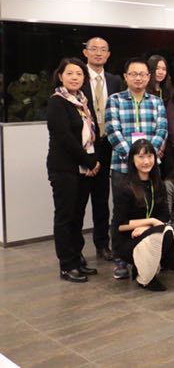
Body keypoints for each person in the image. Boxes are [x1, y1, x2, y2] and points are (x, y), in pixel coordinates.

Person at [105, 57, 168, 280]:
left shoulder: (157, 102)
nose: (139, 77)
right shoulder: (115, 100)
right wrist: (134, 158)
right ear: (126, 76)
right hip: (122, 166)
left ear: (149, 77)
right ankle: (121, 259)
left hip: (151, 167)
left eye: (143, 74)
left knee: (148, 207)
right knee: (121, 214)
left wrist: (147, 158)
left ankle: (147, 252)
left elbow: (162, 130)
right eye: (134, 74)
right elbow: (112, 131)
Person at [111, 139, 174, 291]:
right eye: (141, 157)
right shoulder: (125, 187)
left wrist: (148, 227)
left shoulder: (158, 184)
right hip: (127, 240)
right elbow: (120, 225)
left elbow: (164, 216)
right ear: (132, 159)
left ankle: (143, 265)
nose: (146, 161)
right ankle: (146, 278)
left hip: (150, 233)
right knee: (165, 233)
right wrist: (151, 223)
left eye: (149, 156)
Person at [47, 58, 101, 282]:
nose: (75, 77)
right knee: (65, 216)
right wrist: (89, 162)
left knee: (78, 216)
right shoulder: (57, 102)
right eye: (70, 73)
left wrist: (91, 161)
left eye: (79, 74)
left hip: (82, 167)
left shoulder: (82, 102)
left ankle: (77, 258)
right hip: (65, 167)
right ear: (60, 76)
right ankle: (66, 265)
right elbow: (64, 139)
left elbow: (90, 135)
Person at [81, 37, 122, 261]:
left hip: (109, 143)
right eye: (94, 49)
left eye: (103, 50)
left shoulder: (114, 80)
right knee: (81, 196)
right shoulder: (77, 78)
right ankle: (75, 250)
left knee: (101, 196)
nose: (98, 53)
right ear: (85, 52)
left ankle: (101, 244)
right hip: (86, 145)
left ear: (108, 55)